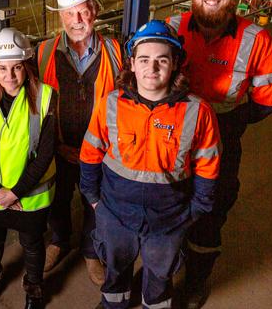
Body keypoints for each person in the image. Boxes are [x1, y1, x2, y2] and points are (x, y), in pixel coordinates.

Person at [166, 0, 272, 307]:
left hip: (221, 142)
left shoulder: (256, 39)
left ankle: (196, 281)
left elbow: (270, 100)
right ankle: (163, 269)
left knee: (210, 213)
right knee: (167, 208)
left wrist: (232, 123)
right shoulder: (173, 29)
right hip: (172, 141)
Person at [80, 20, 221, 309]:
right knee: (115, 271)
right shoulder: (111, 104)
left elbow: (208, 166)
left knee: (159, 276)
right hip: (115, 215)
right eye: (143, 59)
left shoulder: (198, 112)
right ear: (131, 63)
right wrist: (94, 200)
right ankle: (113, 305)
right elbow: (90, 153)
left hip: (169, 220)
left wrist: (195, 210)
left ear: (175, 64)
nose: (152, 68)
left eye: (162, 60)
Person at [37, 0, 123, 285]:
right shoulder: (44, 52)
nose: (78, 18)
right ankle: (59, 240)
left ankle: (90, 251)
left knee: (95, 203)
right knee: (57, 199)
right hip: (57, 149)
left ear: (95, 10)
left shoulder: (116, 51)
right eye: (71, 13)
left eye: (84, 10)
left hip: (99, 152)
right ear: (61, 17)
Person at [0, 27, 57, 309]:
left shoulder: (44, 98)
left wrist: (15, 192)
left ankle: (34, 290)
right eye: (2, 68)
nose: (9, 75)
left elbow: (44, 156)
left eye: (17, 67)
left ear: (27, 66)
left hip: (29, 197)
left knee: (32, 245)